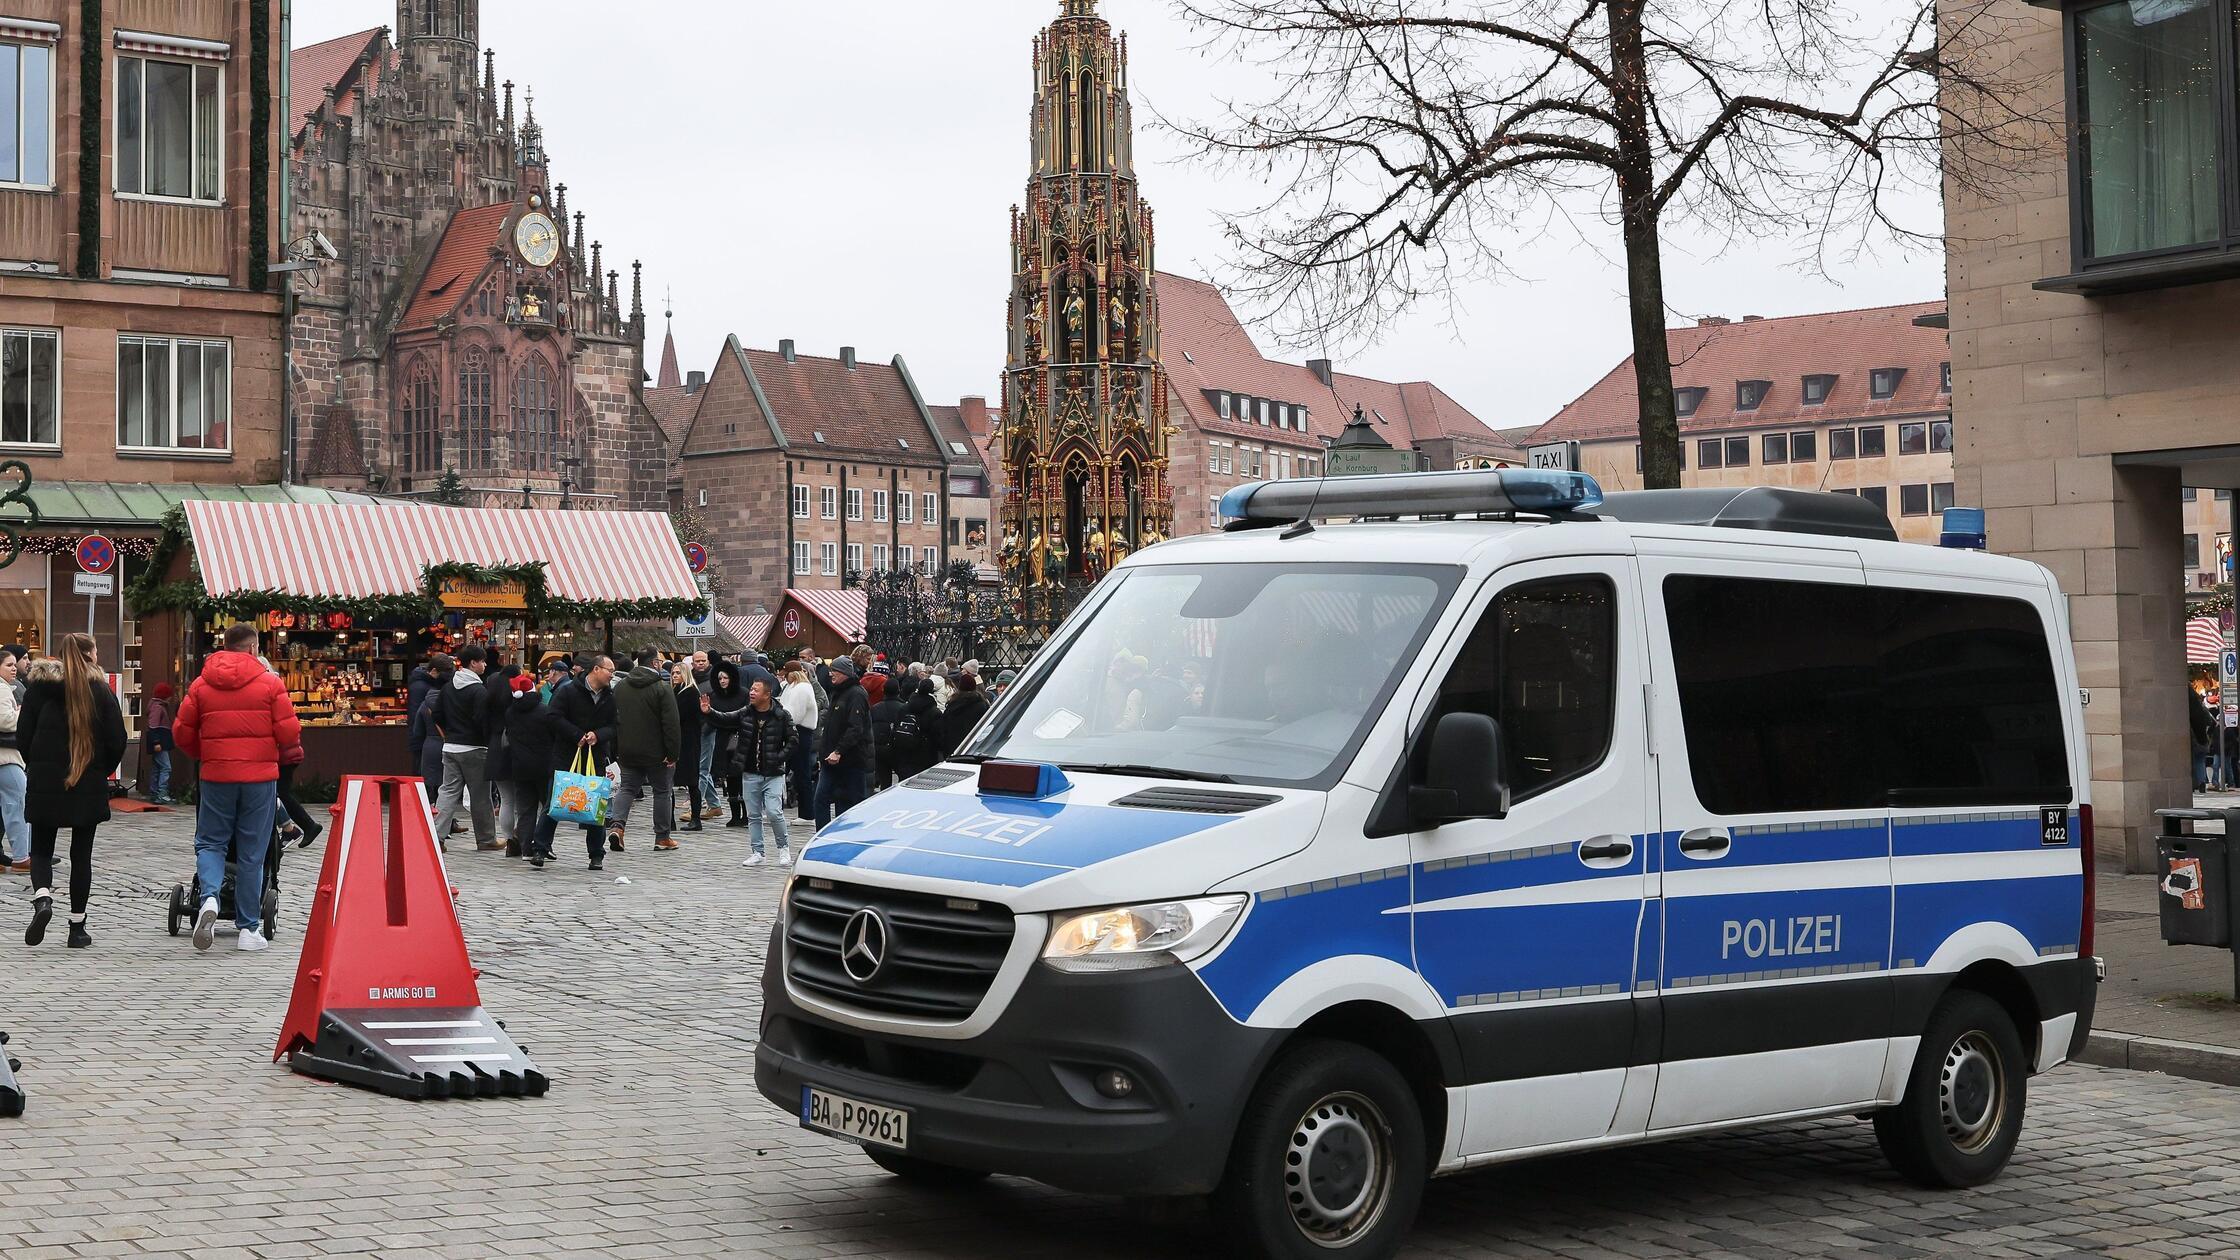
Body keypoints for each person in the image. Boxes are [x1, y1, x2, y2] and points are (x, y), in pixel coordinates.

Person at [174, 623, 301, 953]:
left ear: (224, 646)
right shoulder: (270, 684)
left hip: (216, 776)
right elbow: (289, 734)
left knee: (210, 843)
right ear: (253, 647)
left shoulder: (201, 685)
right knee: (252, 853)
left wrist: (207, 755)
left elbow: (182, 732)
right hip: (259, 779)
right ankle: (248, 929)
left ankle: (211, 898)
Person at [17, 635, 127, 949]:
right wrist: (99, 769)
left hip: (45, 780)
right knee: (82, 856)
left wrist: (37, 766)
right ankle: (77, 928)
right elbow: (117, 738)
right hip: (86, 781)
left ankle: (42, 900)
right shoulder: (100, 690)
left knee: (40, 848)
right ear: (90, 655)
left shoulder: (38, 689)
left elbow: (24, 735)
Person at [535, 653, 617, 870]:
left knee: (596, 805)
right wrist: (576, 734)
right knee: (556, 801)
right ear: (596, 669)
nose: (612, 675)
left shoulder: (610, 695)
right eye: (610, 670)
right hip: (566, 755)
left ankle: (596, 854)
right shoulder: (568, 690)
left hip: (595, 757)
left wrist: (598, 735)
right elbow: (552, 717)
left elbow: (615, 725)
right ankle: (540, 848)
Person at [610, 646, 682, 853]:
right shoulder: (662, 688)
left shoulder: (621, 687)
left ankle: (617, 827)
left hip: (627, 750)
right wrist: (673, 753)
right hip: (657, 753)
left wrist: (617, 748)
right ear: (655, 663)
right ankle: (662, 837)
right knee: (662, 791)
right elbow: (671, 724)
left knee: (627, 789)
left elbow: (614, 719)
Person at [432, 644, 497, 852]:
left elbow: (436, 715)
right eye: (482, 661)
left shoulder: (449, 686)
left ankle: (437, 836)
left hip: (450, 747)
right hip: (474, 748)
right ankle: (486, 839)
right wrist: (488, 739)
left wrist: (449, 733)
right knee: (480, 795)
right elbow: (483, 720)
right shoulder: (478, 690)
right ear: (473, 663)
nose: (485, 665)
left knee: (448, 791)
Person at [735, 676, 796, 866]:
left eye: (756, 690)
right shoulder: (746, 713)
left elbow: (793, 739)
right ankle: (757, 852)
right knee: (753, 815)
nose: (751, 692)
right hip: (750, 772)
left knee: (774, 812)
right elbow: (726, 718)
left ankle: (783, 847)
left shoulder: (781, 715)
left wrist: (779, 758)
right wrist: (709, 711)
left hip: (773, 773)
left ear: (767, 694)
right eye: (751, 689)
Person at [812, 658, 872, 828]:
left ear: (845, 673)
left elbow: (856, 728)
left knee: (848, 803)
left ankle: (844, 837)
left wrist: (839, 751)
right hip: (829, 759)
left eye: (835, 671)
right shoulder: (837, 692)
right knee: (820, 799)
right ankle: (822, 837)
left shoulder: (856, 694)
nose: (830, 674)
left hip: (849, 760)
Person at [499, 674, 551, 862]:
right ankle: (544, 845)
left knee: (526, 809)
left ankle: (526, 848)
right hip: (543, 766)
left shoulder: (510, 712)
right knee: (547, 807)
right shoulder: (544, 711)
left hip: (519, 765)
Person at [699, 660, 751, 826]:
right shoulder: (714, 696)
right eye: (720, 678)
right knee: (730, 778)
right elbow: (711, 718)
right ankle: (735, 814)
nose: (722, 681)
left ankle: (746, 814)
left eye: (726, 678)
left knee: (742, 777)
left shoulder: (743, 694)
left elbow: (747, 716)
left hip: (740, 739)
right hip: (722, 741)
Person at [779, 662, 822, 822]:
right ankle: (803, 812)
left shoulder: (802, 688)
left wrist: (779, 716)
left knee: (802, 772)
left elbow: (794, 714)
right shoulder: (794, 687)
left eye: (786, 673)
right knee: (797, 771)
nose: (784, 676)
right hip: (796, 731)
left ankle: (807, 813)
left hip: (801, 732)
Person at [410, 654, 455, 803]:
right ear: (435, 671)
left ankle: (438, 820)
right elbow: (417, 719)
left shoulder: (423, 687)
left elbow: (418, 722)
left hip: (428, 742)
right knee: (440, 786)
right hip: (433, 740)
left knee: (433, 785)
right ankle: (440, 821)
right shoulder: (422, 688)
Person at [672, 660, 706, 832]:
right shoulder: (675, 691)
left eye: (678, 673)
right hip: (678, 740)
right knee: (670, 780)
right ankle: (669, 819)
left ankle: (696, 818)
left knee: (692, 781)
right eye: (673, 673)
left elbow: (680, 716)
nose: (675, 676)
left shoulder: (690, 692)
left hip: (689, 741)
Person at [0, 650, 26, 873]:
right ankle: (21, 856)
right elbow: (6, 721)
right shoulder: (1, 688)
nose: (14, 668)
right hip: (6, 757)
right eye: (8, 665)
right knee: (18, 804)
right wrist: (22, 713)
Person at [895, 670, 942, 780]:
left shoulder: (905, 707)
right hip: (926, 755)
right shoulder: (934, 712)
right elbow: (938, 736)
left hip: (906, 752)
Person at [940, 670, 991, 763]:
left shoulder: (952, 705)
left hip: (953, 750)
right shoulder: (982, 705)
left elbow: (944, 728)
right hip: (974, 750)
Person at [868, 670, 901, 792]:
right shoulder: (903, 708)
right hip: (897, 748)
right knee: (902, 777)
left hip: (880, 747)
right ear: (898, 690)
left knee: (884, 780)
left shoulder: (875, 708)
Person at [143, 680, 175, 805]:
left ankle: (154, 792)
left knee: (157, 767)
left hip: (159, 742)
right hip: (160, 742)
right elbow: (153, 725)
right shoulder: (158, 707)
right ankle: (162, 793)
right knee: (166, 767)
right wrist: (156, 742)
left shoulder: (156, 706)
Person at [2193, 686, 2216, 792]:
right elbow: (2212, 722)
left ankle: (2196, 783)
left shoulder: (2189, 708)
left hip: (2194, 740)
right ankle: (2202, 781)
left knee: (2194, 761)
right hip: (2203, 739)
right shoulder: (2203, 710)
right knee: (2200, 761)